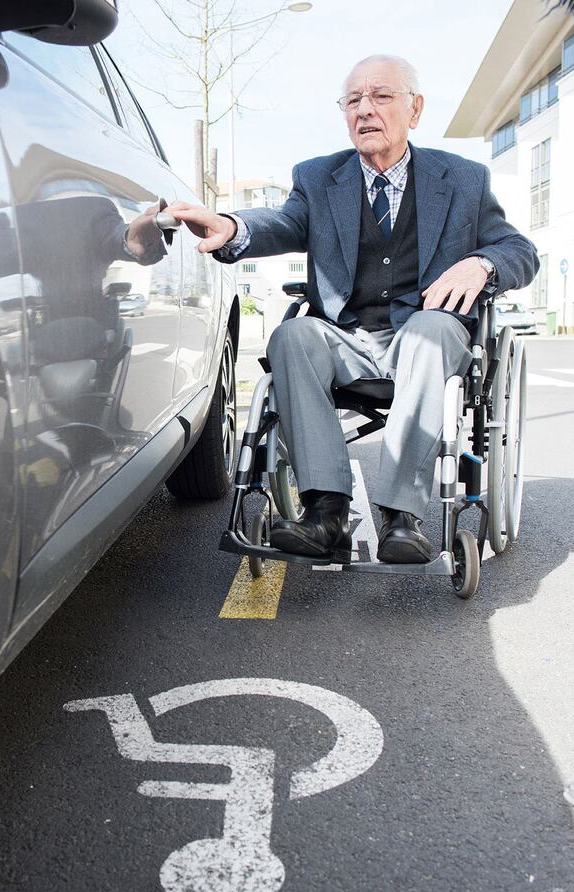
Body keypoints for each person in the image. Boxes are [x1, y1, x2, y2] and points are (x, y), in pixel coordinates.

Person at [166, 55, 539, 564]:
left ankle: (402, 517)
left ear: (416, 109)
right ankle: (326, 513)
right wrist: (234, 228)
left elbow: (519, 250)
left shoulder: (464, 180)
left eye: (381, 97)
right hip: (348, 340)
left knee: (431, 330)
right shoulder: (319, 178)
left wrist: (480, 265)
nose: (365, 109)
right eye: (353, 100)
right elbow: (282, 222)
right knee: (291, 337)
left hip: (425, 337)